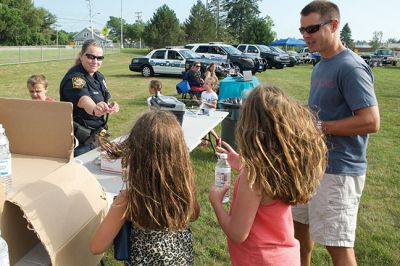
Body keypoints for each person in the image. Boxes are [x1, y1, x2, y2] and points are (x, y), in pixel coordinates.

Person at [293, 2, 380, 266]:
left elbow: (371, 120)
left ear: (333, 26)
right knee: (298, 232)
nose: (305, 35)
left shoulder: (350, 67)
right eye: (302, 29)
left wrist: (320, 128)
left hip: (339, 171)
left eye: (311, 28)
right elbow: (322, 110)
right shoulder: (320, 64)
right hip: (312, 165)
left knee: (337, 246)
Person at [209, 85, 327, 266]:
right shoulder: (285, 165)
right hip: (286, 257)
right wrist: (242, 164)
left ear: (251, 127)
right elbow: (266, 189)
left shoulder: (254, 175)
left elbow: (237, 233)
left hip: (259, 260)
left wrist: (216, 203)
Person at [90, 110, 200, 265]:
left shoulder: (128, 200)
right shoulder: (185, 190)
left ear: (137, 154)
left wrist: (114, 208)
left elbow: (96, 247)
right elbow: (194, 214)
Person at [59, 39, 119, 157]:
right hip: (81, 143)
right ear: (81, 56)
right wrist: (95, 108)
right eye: (90, 57)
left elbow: (102, 99)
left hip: (98, 137)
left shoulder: (99, 77)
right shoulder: (75, 78)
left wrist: (110, 106)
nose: (95, 61)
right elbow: (83, 99)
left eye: (99, 58)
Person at [199, 76, 221, 147]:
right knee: (204, 127)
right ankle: (205, 142)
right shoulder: (203, 93)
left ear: (211, 86)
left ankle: (217, 138)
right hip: (204, 111)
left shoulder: (213, 95)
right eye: (204, 83)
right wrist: (198, 102)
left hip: (210, 113)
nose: (204, 84)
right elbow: (202, 103)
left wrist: (205, 103)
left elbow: (214, 106)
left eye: (207, 84)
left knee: (207, 127)